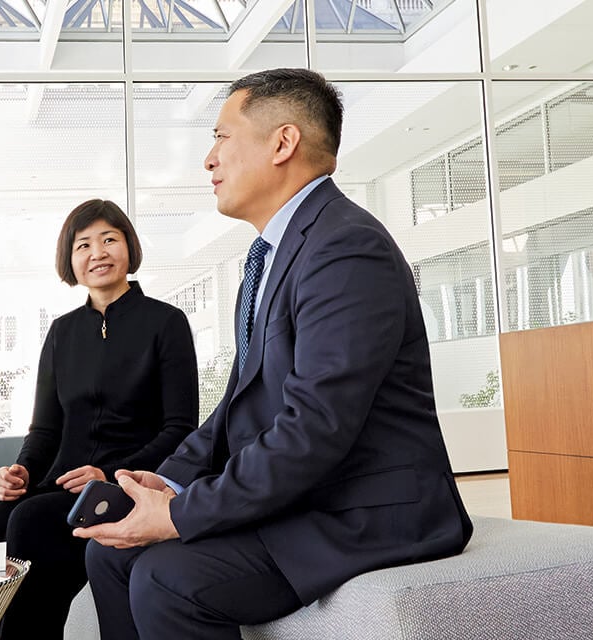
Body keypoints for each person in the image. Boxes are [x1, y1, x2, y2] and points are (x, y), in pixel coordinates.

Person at [75, 68, 474, 640]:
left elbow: (314, 428)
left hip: (362, 511)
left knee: (166, 576)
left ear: (282, 143)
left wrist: (181, 517)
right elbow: (238, 405)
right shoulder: (272, 252)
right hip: (307, 495)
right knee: (110, 556)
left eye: (221, 137)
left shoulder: (345, 248)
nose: (209, 160)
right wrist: (168, 486)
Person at [0, 199, 199, 640]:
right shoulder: (62, 332)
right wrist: (21, 471)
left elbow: (180, 430)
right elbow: (45, 430)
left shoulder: (166, 323)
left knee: (29, 523)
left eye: (109, 239)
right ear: (70, 260)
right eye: (84, 244)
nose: (98, 253)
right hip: (58, 485)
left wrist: (109, 473)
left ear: (129, 247)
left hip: (126, 487)